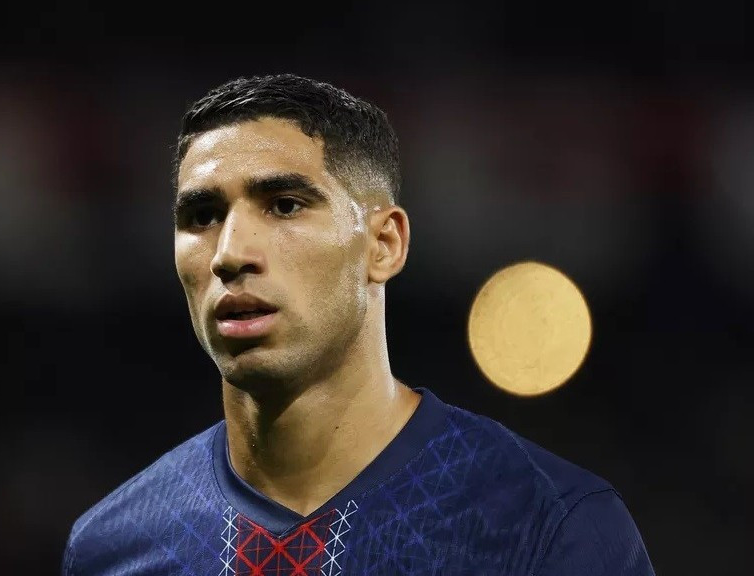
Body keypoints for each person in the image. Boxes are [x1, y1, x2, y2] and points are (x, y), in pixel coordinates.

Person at [62, 73, 655, 575]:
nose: (230, 253)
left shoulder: (547, 524)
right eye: (202, 215)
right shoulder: (112, 547)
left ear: (384, 244)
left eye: (285, 205)